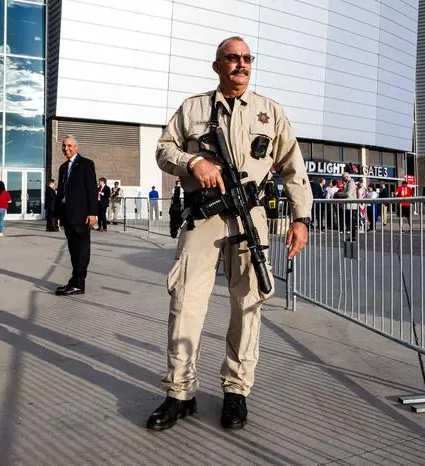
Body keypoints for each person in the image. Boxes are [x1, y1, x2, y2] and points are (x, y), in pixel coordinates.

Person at [147, 36, 312, 432]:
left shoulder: (270, 113)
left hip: (250, 218)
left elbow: (293, 167)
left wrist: (302, 218)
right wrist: (193, 162)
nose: (241, 64)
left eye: (247, 58)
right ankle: (179, 393)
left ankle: (236, 392)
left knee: (248, 307)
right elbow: (162, 150)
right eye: (232, 58)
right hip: (202, 218)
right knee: (185, 304)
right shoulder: (193, 108)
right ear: (217, 64)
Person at [53, 135, 98, 296]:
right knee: (73, 250)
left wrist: (93, 213)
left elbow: (92, 190)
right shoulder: (63, 167)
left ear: (76, 147)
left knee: (82, 250)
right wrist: (56, 214)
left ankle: (79, 283)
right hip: (67, 215)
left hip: (81, 215)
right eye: (64, 146)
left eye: (70, 146)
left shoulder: (86, 164)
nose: (66, 149)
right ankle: (75, 280)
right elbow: (61, 193)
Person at [334, 172, 357, 237]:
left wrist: (339, 194)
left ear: (347, 177)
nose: (343, 180)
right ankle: (351, 237)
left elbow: (348, 194)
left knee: (351, 223)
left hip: (350, 206)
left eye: (343, 178)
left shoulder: (351, 183)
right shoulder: (349, 183)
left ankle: (352, 237)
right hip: (348, 206)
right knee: (349, 222)